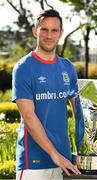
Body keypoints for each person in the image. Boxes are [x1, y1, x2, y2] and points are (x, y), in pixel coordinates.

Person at [12, 9, 84, 180]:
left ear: (61, 33)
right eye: (44, 29)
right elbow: (28, 116)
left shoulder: (68, 68)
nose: (49, 35)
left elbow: (80, 112)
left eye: (54, 30)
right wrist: (54, 154)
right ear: (35, 31)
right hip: (33, 164)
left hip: (64, 161)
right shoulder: (23, 68)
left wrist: (83, 150)